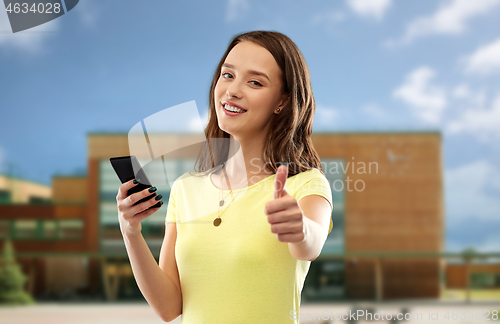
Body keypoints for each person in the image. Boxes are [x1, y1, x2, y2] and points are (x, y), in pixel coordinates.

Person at [116, 30, 333, 323]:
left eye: (254, 82)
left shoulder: (305, 183)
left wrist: (301, 229)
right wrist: (131, 232)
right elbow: (169, 308)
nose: (232, 90)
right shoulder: (186, 189)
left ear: (281, 101)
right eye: (227, 75)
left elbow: (312, 244)